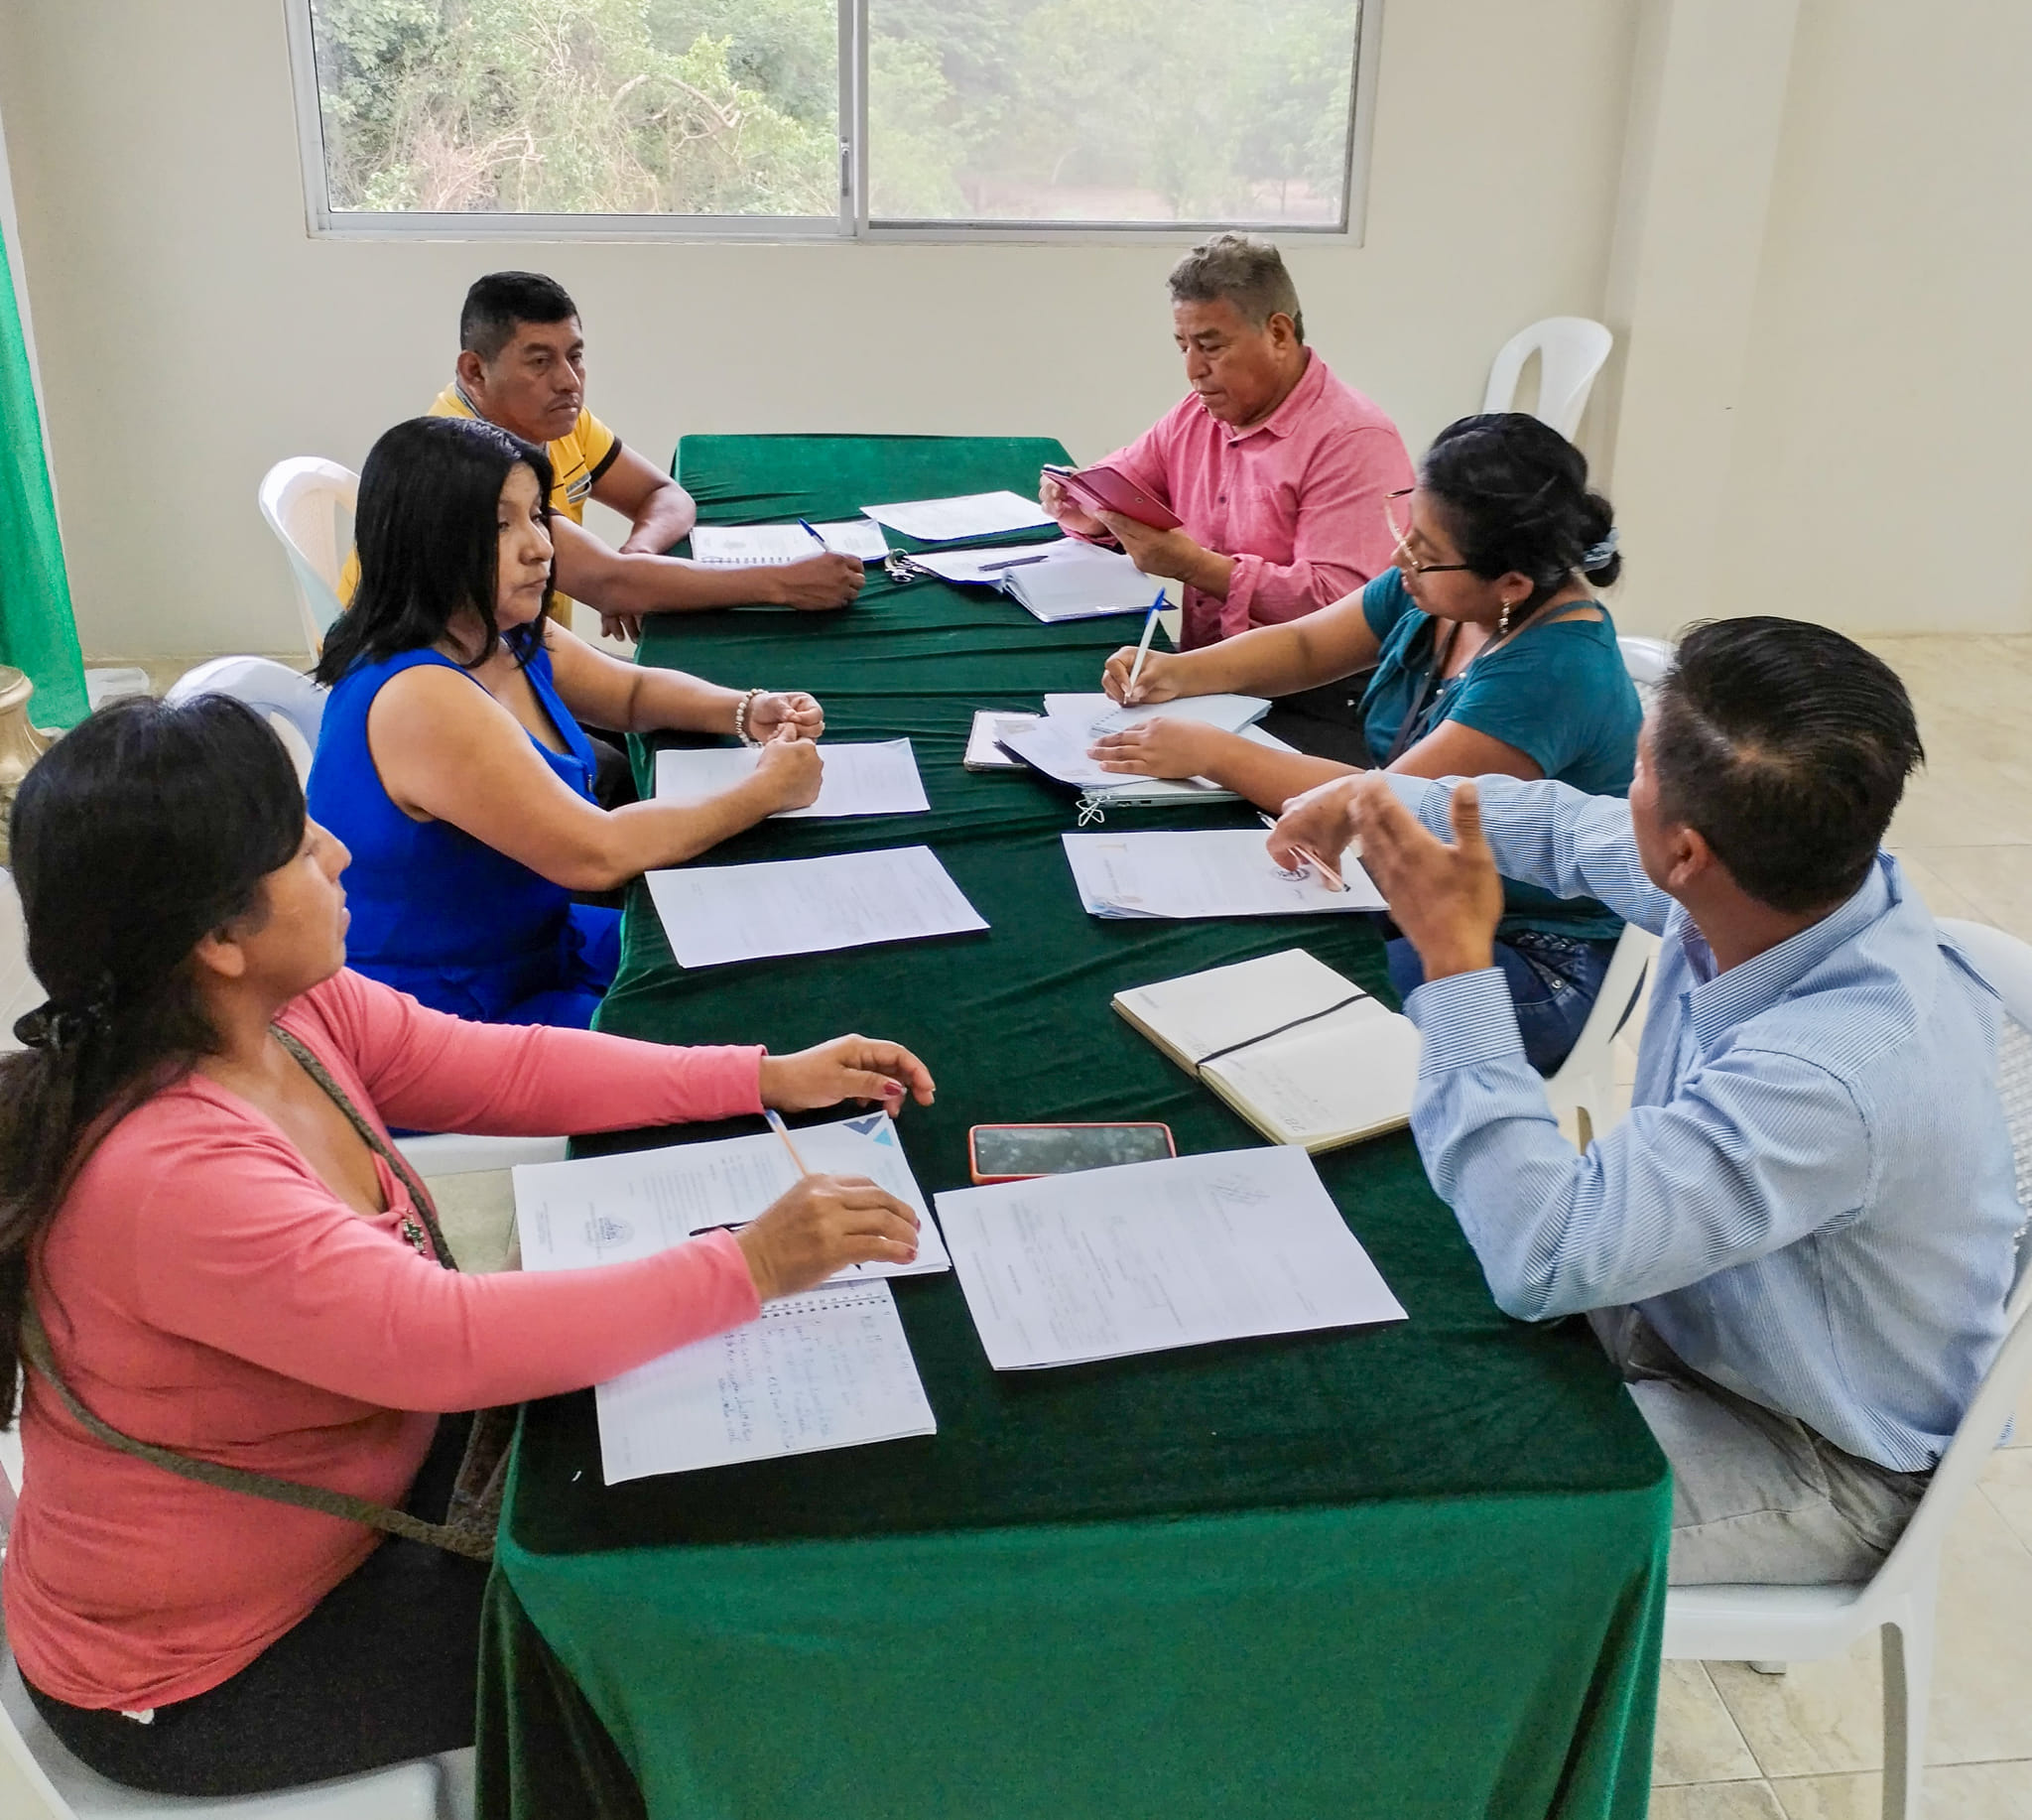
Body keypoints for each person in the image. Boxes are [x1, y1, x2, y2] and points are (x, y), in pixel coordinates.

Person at [0, 692, 936, 1795]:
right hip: (218, 1669)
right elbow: (442, 1341)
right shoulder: (170, 1174)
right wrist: (752, 1263)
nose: (341, 852)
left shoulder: (285, 1016)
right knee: (673, 1623)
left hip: (368, 1483)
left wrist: (760, 1075)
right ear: (217, 939)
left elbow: (506, 1070)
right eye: (300, 847)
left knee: (678, 1490)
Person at [1267, 617, 2021, 1587]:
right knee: (1377, 1272)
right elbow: (1561, 828)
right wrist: (1374, 798)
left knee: (1409, 1528)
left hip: (1811, 1447)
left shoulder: (1832, 1075)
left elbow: (1543, 1257)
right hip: (1681, 1311)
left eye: (1632, 774)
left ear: (1685, 851)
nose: (1617, 796)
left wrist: (1457, 965)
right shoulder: (1788, 884)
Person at [1091, 413, 1641, 1075]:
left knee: (1297, 1018)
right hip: (1416, 896)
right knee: (1233, 963)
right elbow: (1305, 645)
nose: (1399, 557)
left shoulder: (1552, 670)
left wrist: (1215, 753)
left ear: (1513, 585)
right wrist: (1178, 672)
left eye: (1422, 549)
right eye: (1405, 528)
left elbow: (1385, 810)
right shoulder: (1442, 587)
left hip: (1532, 954)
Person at [310, 415, 825, 1028]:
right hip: (448, 1014)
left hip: (540, 946)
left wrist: (745, 708)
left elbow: (630, 693)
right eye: (501, 525)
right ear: (427, 542)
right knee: (738, 1023)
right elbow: (597, 855)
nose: (541, 546)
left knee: (770, 959)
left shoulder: (494, 628)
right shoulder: (420, 696)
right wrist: (765, 791)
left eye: (537, 515)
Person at [355, 271, 863, 638]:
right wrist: (784, 584)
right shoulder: (461, 462)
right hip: (447, 688)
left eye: (575, 356)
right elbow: (610, 584)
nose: (568, 381)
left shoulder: (555, 420)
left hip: (526, 657)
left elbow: (664, 495)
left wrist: (639, 552)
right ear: (474, 372)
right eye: (540, 361)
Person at [1039, 232, 1413, 652]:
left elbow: (1343, 612)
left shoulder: (1353, 441)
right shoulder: (1198, 415)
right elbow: (1124, 483)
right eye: (1183, 347)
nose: (1193, 370)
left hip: (1317, 687)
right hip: (1208, 669)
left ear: (1278, 334)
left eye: (1211, 347)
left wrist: (1195, 567)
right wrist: (1089, 510)